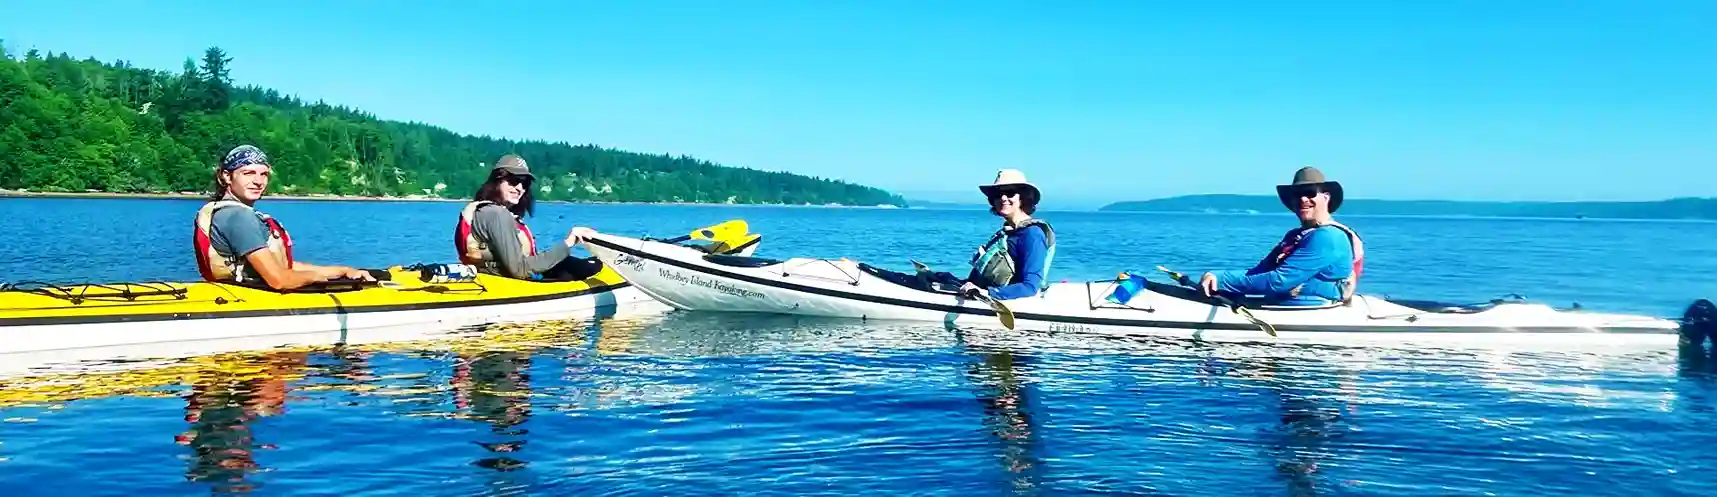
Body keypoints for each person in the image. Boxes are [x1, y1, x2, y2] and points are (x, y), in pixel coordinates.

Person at [192, 145, 375, 290]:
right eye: (248, 173)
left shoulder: (226, 212)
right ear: (227, 176)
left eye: (263, 174)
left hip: (234, 290)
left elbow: (285, 266)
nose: (258, 181)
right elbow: (279, 279)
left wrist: (343, 271)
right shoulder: (238, 217)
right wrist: (316, 277)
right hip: (250, 296)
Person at [1198, 166, 1365, 306]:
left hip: (1309, 313)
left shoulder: (1329, 237)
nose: (1303, 199)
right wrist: (1214, 277)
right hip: (1278, 306)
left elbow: (1278, 281)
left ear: (1326, 197)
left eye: (1310, 192)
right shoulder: (1294, 236)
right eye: (1297, 194)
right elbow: (1259, 272)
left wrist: (1221, 279)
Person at [453, 154, 602, 281]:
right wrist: (569, 242)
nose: (519, 188)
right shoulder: (497, 214)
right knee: (594, 266)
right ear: (497, 180)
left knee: (573, 264)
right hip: (503, 283)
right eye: (513, 180)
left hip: (489, 277)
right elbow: (519, 269)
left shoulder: (484, 210)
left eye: (524, 183)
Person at [957, 169, 1056, 301]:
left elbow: (1030, 287)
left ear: (1023, 197)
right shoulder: (1006, 233)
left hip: (1013, 303)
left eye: (1009, 193)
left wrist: (988, 293)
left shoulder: (1032, 234)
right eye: (998, 195)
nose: (1003, 198)